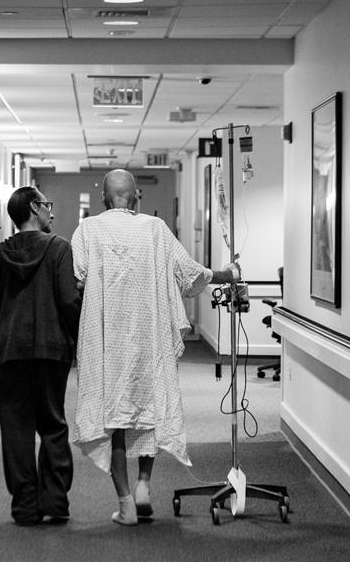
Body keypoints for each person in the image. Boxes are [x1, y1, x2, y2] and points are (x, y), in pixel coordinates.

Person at [71, 169, 240, 525]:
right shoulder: (155, 229)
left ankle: (126, 501)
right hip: (149, 336)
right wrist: (228, 275)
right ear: (136, 198)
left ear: (103, 199)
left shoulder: (88, 230)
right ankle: (145, 484)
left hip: (107, 340)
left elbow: (75, 279)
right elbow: (190, 272)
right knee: (148, 406)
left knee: (113, 417)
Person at [0, 186, 81, 526]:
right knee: (53, 424)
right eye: (47, 205)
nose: (51, 211)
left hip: (11, 352)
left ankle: (25, 506)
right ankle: (56, 501)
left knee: (16, 429)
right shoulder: (60, 248)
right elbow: (68, 301)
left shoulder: (1, 254)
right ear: (34, 208)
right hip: (51, 350)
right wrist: (82, 341)